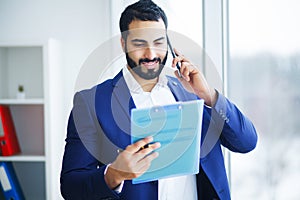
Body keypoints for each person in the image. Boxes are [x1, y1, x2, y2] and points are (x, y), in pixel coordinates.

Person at [60, 0, 258, 199]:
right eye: (139, 43)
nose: (151, 54)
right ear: (123, 44)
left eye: (158, 42)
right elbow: (71, 187)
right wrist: (114, 174)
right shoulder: (90, 103)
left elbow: (246, 142)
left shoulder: (193, 92)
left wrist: (209, 96)